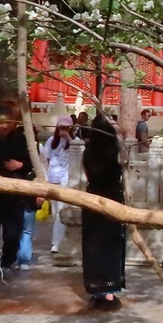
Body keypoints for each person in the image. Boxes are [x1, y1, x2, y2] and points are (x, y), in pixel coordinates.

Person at [0, 109, 33, 290]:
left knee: (13, 235)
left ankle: (7, 262)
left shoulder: (19, 139)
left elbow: (30, 163)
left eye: (8, 123)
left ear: (14, 124)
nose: (4, 127)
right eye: (1, 122)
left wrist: (20, 165)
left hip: (13, 195)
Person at [81, 113, 127, 310]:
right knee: (112, 243)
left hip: (92, 199)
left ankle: (95, 290)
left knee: (93, 245)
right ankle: (110, 290)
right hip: (113, 199)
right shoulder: (118, 150)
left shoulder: (87, 151)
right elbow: (125, 173)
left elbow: (86, 174)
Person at [41, 116, 74, 254]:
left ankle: (56, 243)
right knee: (55, 213)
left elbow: (78, 154)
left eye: (66, 128)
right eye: (61, 127)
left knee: (61, 211)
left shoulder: (74, 142)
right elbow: (46, 158)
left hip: (64, 180)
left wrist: (68, 138)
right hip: (52, 179)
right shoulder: (51, 141)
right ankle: (59, 238)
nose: (63, 130)